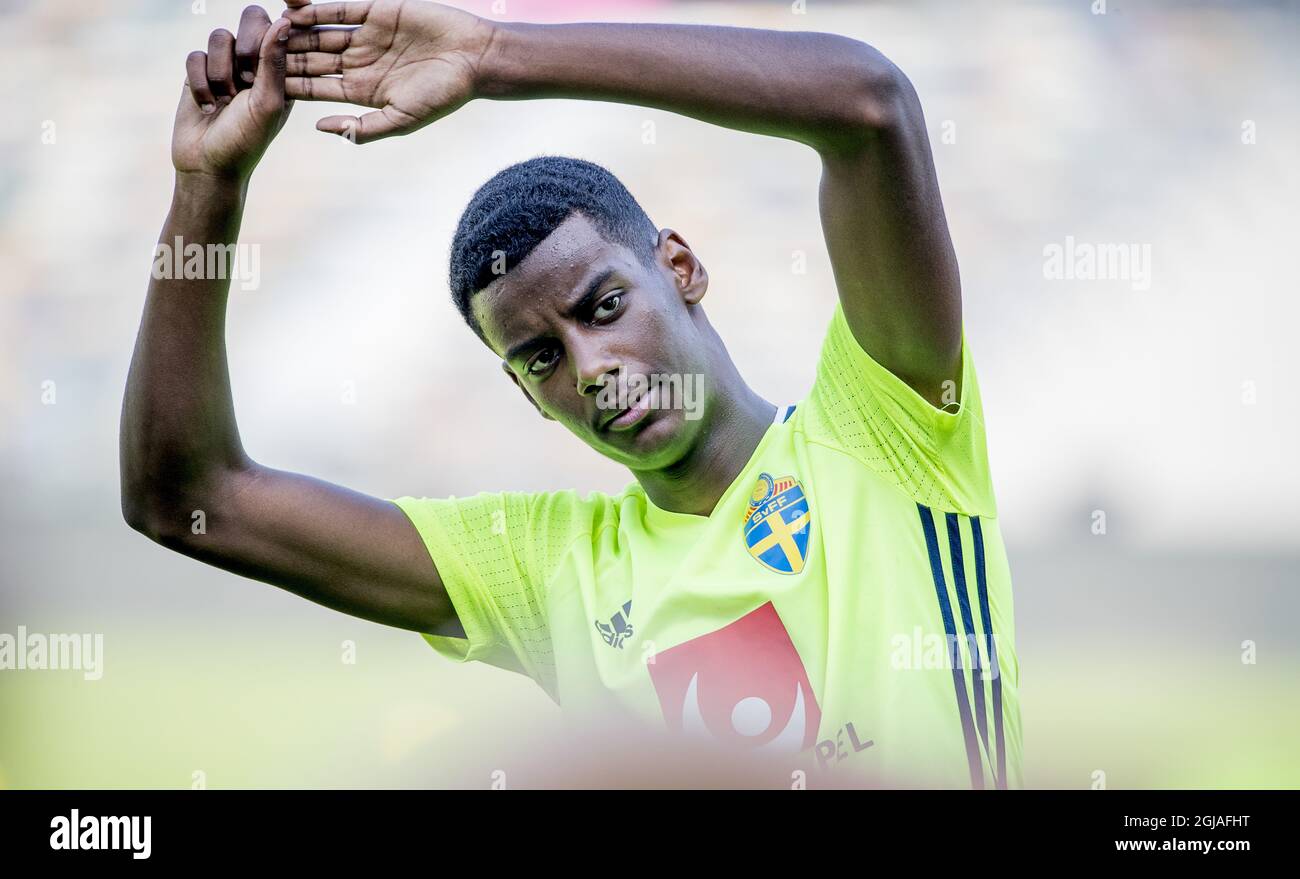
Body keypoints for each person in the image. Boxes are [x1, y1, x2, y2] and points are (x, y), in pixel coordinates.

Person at [121, 0, 1021, 788]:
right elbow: (188, 496)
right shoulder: (549, 570)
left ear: (681, 266)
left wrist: (495, 57)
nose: (590, 368)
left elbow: (870, 109)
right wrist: (207, 189)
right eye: (540, 359)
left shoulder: (884, 426)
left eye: (606, 305)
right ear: (525, 394)